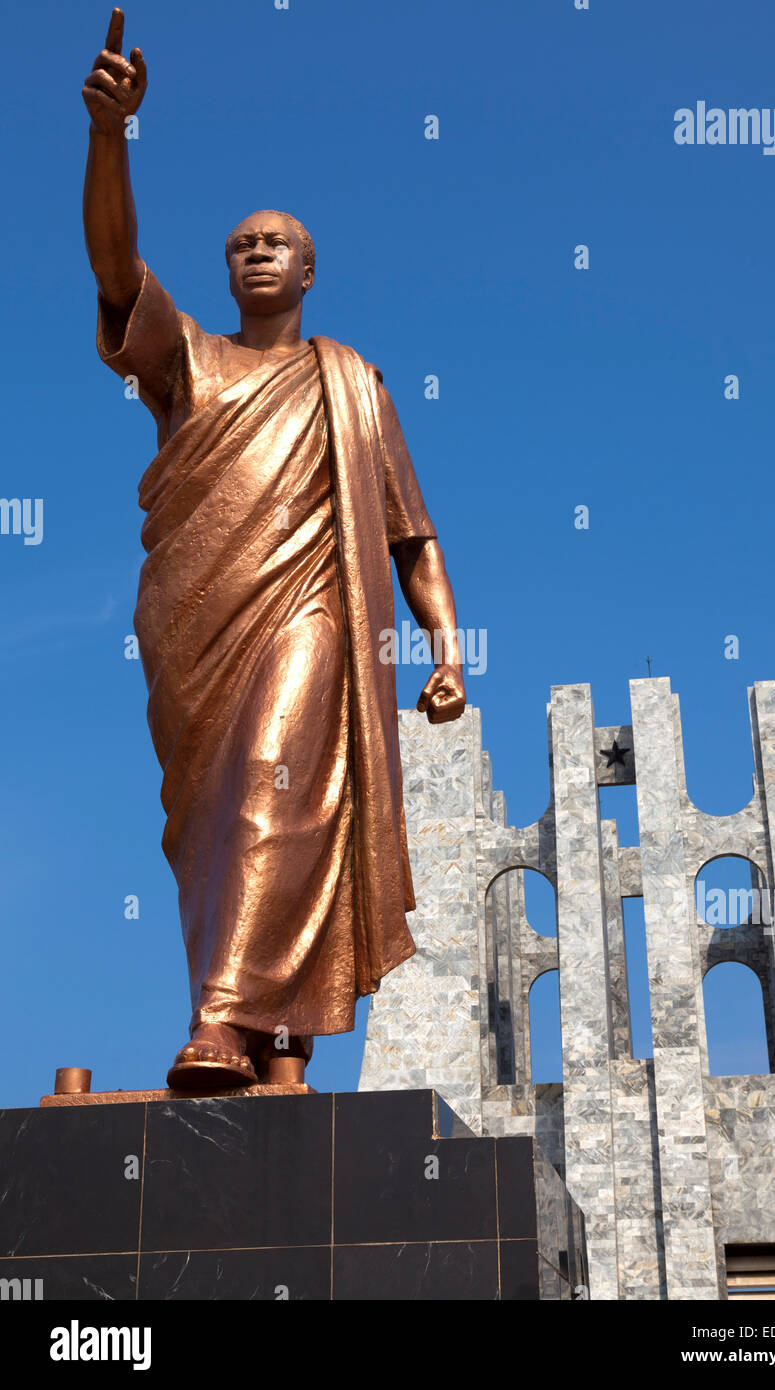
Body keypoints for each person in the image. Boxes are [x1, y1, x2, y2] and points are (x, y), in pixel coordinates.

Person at [83, 9, 466, 1090]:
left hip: (310, 614)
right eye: (240, 244)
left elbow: (407, 532)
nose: (255, 253)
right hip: (195, 630)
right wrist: (110, 137)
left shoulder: (350, 384)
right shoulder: (191, 362)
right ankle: (272, 1033)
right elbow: (116, 271)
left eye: (274, 244)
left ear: (307, 271)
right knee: (215, 832)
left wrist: (446, 647)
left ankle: (219, 1017)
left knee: (275, 781)